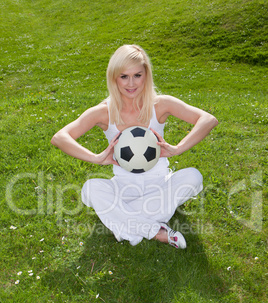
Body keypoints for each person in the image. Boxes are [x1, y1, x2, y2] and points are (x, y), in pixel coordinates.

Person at [51, 44, 218, 249]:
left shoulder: (160, 104)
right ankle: (155, 230)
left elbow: (208, 119)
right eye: (124, 76)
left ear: (146, 75)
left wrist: (178, 148)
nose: (131, 83)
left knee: (193, 176)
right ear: (114, 78)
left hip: (160, 184)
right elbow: (60, 137)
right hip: (123, 187)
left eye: (137, 75)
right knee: (91, 188)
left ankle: (122, 219)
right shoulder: (105, 111)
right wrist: (96, 157)